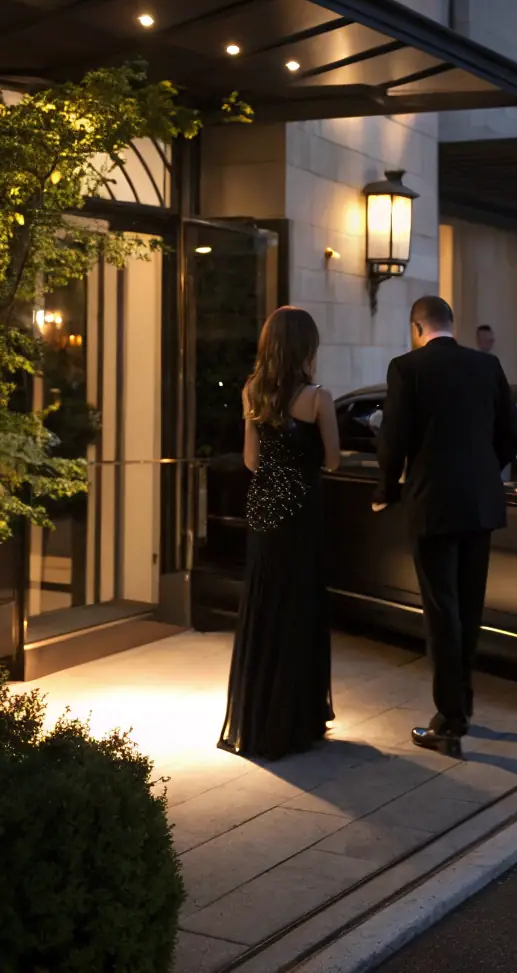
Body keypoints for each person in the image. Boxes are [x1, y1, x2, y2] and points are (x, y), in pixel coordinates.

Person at [373, 296, 517, 758]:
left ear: (418, 326)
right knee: (469, 607)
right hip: (479, 506)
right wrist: (482, 472)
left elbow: (393, 438)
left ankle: (449, 721)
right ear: (451, 324)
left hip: (432, 504)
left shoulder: (406, 368)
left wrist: (386, 490)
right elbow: (512, 436)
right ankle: (464, 704)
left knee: (442, 612)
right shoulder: (487, 366)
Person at [218, 306, 341, 760]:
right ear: (305, 347)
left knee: (265, 603)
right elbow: (332, 460)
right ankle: (297, 717)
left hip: (265, 510)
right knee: (299, 605)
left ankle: (258, 718)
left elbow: (251, 461)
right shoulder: (317, 397)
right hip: (301, 511)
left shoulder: (252, 391)